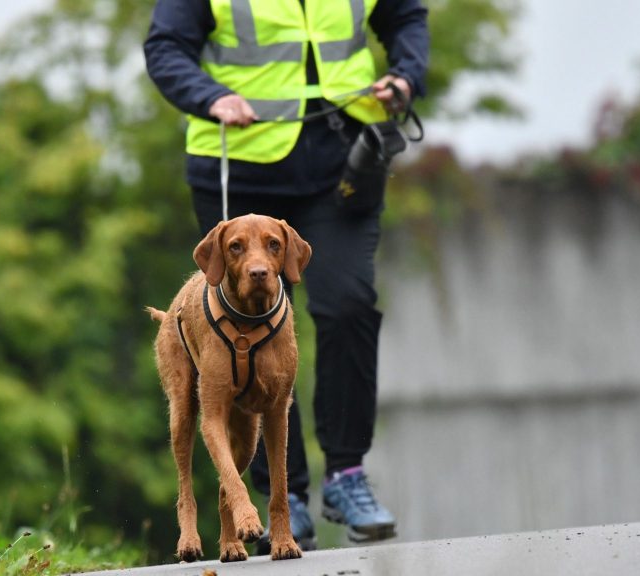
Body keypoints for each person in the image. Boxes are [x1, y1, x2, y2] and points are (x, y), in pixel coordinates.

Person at [144, 0, 428, 553]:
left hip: (343, 160)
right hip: (241, 159)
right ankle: (284, 494)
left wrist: (405, 74)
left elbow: (406, 16)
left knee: (348, 302)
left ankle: (346, 475)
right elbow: (165, 46)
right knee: (247, 331)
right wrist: (210, 97)